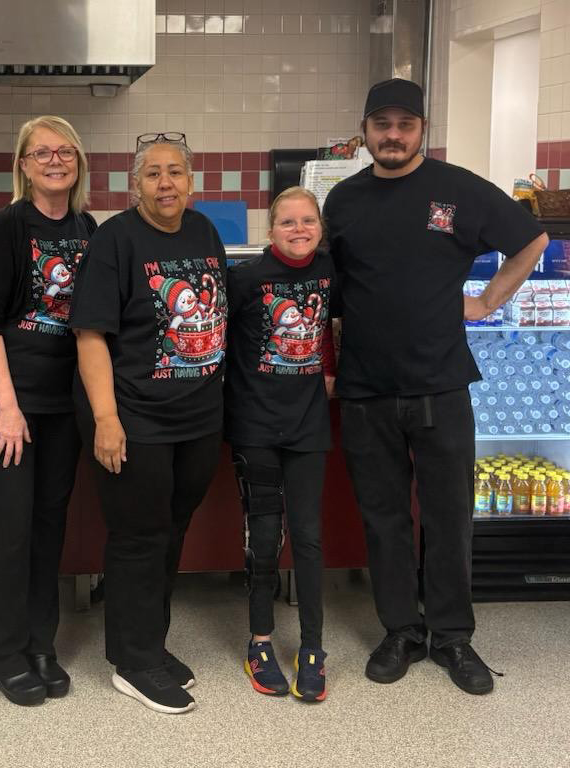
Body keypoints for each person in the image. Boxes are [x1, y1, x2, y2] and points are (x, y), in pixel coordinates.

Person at [323, 79, 548, 695]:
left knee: (449, 518)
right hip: (367, 388)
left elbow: (532, 240)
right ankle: (401, 629)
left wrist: (486, 300)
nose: (392, 135)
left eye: (405, 124)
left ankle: (451, 636)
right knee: (385, 517)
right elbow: (333, 293)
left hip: (443, 385)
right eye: (381, 124)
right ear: (364, 129)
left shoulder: (457, 189)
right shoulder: (342, 200)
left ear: (422, 129)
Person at [70, 132, 227, 714]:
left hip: (199, 418)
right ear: (136, 184)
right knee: (138, 538)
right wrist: (106, 419)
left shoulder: (204, 231)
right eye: (154, 173)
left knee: (172, 529)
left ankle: (151, 645)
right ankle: (131, 662)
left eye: (176, 173)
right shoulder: (115, 241)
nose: (166, 183)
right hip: (137, 418)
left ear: (191, 181)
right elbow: (90, 336)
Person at [0, 116, 95, 706]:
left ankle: (42, 643)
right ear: (22, 165)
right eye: (41, 152)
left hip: (62, 404)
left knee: (50, 526)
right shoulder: (7, 226)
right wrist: (7, 408)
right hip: (8, 405)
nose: (54, 160)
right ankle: (4, 652)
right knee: (13, 529)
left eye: (64, 151)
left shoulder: (87, 227)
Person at [224, 186, 336, 703]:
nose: (298, 229)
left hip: (309, 425)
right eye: (287, 222)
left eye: (307, 220)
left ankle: (313, 645)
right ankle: (260, 639)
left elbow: (340, 329)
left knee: (309, 537)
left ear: (319, 226)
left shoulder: (332, 273)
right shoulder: (244, 279)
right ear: (270, 232)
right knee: (264, 536)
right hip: (256, 426)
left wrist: (333, 371)